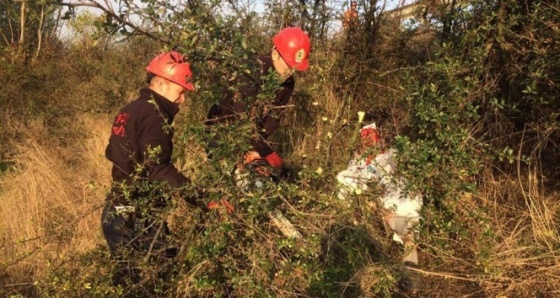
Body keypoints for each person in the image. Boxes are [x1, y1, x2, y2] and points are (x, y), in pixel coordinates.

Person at [101, 51, 206, 287]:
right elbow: (157, 169)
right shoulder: (154, 115)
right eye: (181, 92)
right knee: (159, 277)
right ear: (161, 83)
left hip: (116, 210)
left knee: (128, 279)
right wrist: (201, 198)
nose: (182, 100)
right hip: (138, 215)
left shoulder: (130, 109)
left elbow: (112, 152)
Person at [205, 27, 311, 172]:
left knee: (266, 177)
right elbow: (242, 115)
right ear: (275, 54)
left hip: (252, 137)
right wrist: (264, 151)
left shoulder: (288, 84)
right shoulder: (252, 70)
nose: (290, 72)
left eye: (294, 68)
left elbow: (273, 119)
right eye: (288, 65)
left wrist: (258, 150)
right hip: (222, 131)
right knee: (225, 180)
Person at [336, 123, 423, 268]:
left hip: (398, 197)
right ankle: (410, 263)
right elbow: (347, 177)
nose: (369, 143)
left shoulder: (390, 154)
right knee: (405, 228)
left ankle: (410, 261)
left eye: (371, 138)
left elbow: (404, 160)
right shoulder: (359, 162)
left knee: (398, 219)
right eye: (365, 139)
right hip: (390, 201)